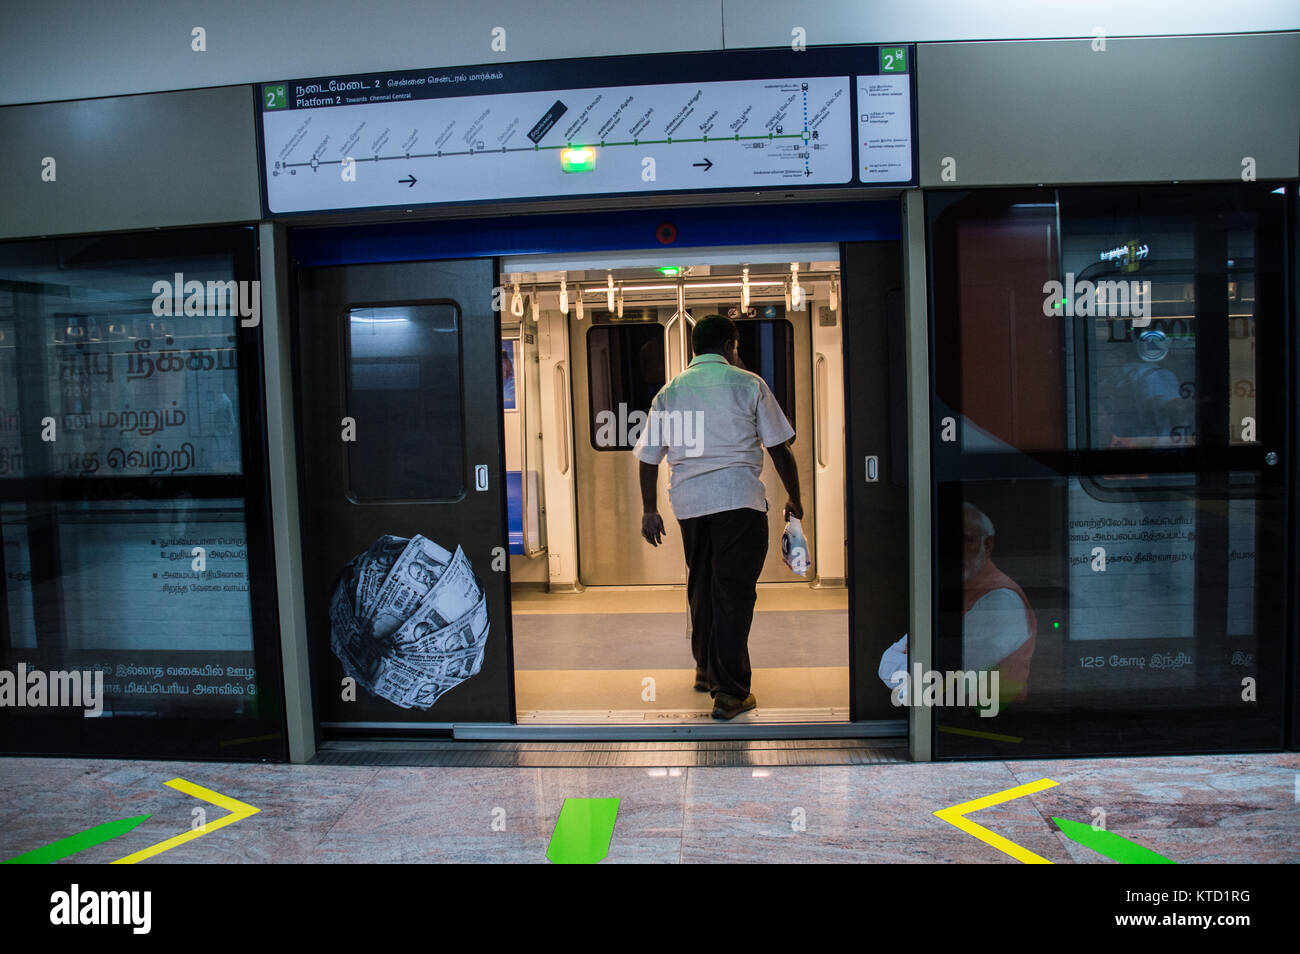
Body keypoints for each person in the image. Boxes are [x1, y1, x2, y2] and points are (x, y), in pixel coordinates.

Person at [632, 314, 803, 720]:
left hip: (690, 506)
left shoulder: (669, 392)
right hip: (738, 502)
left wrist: (649, 509)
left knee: (703, 585)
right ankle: (731, 692)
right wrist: (795, 498)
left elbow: (648, 457)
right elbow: (780, 447)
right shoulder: (749, 384)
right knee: (733, 593)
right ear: (731, 344)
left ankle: (706, 669)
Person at [962, 502, 1036, 703]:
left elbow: (958, 667)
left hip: (990, 716)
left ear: (987, 545)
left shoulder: (1001, 600)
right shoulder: (966, 586)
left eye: (965, 540)